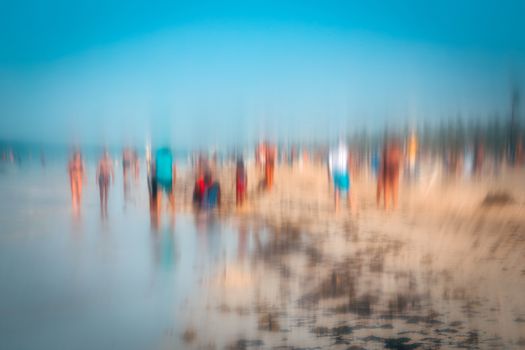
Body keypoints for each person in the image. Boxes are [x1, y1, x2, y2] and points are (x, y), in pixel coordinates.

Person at [377, 138, 401, 210]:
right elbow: (382, 163)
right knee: (392, 189)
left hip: (390, 171)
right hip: (390, 171)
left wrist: (380, 173)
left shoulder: (388, 151)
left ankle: (388, 206)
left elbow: (382, 163)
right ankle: (391, 206)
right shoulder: (392, 151)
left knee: (390, 189)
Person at [328, 141, 351, 212]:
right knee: (347, 190)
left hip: (335, 172)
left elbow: (329, 162)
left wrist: (329, 174)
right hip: (343, 171)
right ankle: (352, 207)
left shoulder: (332, 150)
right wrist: (350, 170)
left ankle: (337, 209)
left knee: (337, 189)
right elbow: (348, 161)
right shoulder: (345, 150)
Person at [96, 151, 114, 217]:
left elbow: (112, 170)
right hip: (101, 176)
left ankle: (105, 204)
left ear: (108, 156)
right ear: (103, 156)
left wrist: (113, 178)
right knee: (101, 192)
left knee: (106, 191)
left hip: (107, 177)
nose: (106, 157)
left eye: (107, 155)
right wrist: (96, 178)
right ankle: (101, 204)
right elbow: (98, 169)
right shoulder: (101, 161)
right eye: (105, 155)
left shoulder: (110, 161)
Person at [68, 150, 85, 216]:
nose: (77, 157)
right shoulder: (71, 162)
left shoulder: (81, 162)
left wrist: (85, 178)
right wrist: (71, 167)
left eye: (78, 156)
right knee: (73, 192)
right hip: (72, 178)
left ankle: (79, 205)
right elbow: (68, 170)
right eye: (76, 156)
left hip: (79, 178)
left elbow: (83, 171)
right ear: (74, 156)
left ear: (80, 156)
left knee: (79, 193)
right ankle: (74, 206)